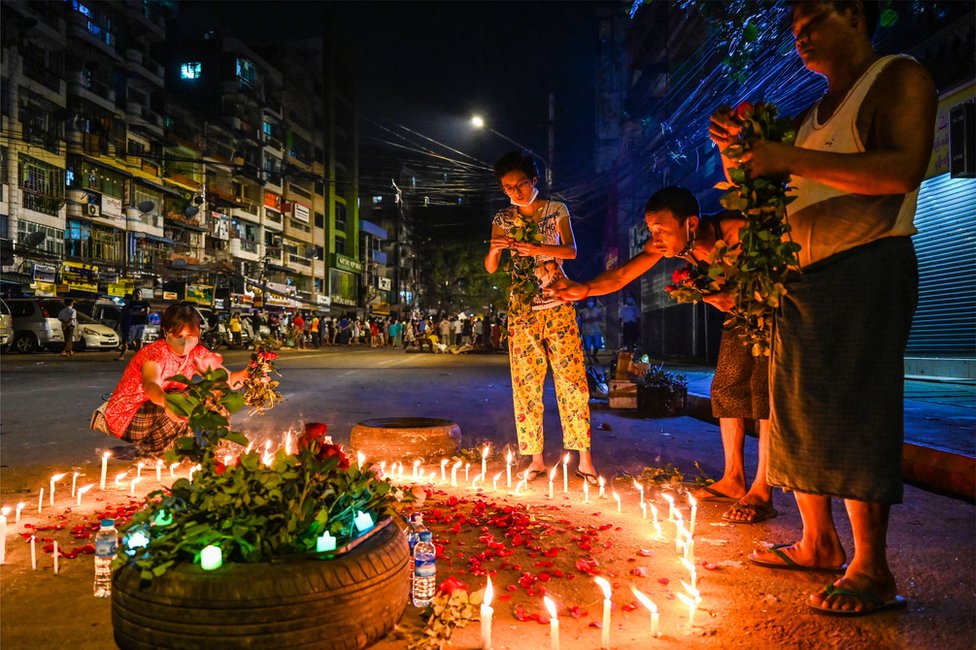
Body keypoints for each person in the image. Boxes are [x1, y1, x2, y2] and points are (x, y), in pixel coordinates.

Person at [709, 0, 936, 615]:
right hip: (801, 279)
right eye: (796, 31)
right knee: (798, 413)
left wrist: (786, 157)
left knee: (855, 410)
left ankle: (871, 567)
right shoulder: (810, 115)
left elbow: (902, 169)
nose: (801, 38)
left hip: (865, 263)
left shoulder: (896, 76)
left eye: (813, 24)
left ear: (856, 13)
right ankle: (817, 540)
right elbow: (763, 192)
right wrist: (742, 156)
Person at [549, 186, 773, 523]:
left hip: (770, 316)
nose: (656, 239)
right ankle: (733, 478)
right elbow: (623, 274)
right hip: (738, 319)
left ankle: (762, 488)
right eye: (652, 230)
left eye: (662, 230)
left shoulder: (736, 232)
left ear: (691, 224)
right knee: (726, 390)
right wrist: (585, 289)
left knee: (764, 397)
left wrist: (728, 294)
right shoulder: (677, 245)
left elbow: (773, 278)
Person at [485, 150, 598, 484]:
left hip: (558, 303)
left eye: (521, 184)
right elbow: (491, 267)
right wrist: (495, 249)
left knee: (573, 382)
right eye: (508, 188)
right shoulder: (502, 219)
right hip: (521, 312)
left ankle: (585, 459)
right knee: (526, 384)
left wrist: (537, 249)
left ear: (534, 181)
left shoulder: (555, 210)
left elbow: (571, 251)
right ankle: (535, 459)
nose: (516, 192)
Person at [104, 302, 248, 458]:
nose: (185, 341)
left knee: (216, 392)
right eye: (179, 336)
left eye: (190, 336)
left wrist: (250, 374)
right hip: (128, 416)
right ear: (166, 332)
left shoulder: (196, 353)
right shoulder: (155, 353)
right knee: (185, 399)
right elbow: (150, 385)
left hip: (161, 413)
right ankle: (152, 452)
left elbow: (228, 381)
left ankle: (212, 450)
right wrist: (167, 403)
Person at [577, 297, 606, 365]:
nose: (590, 303)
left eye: (591, 301)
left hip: (596, 330)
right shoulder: (584, 311)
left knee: (597, 345)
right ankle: (589, 359)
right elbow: (582, 319)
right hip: (586, 331)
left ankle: (594, 355)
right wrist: (590, 319)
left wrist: (593, 319)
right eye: (589, 301)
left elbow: (600, 318)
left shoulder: (597, 310)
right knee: (587, 346)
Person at [127, 289, 151, 354]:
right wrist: (141, 311)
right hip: (133, 323)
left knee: (140, 340)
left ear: (141, 294)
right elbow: (131, 313)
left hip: (142, 323)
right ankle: (138, 353)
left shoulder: (145, 302)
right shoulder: (132, 303)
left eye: (139, 292)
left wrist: (136, 312)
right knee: (130, 340)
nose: (137, 294)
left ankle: (139, 354)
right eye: (136, 293)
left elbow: (146, 312)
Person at [115, 293, 134, 361]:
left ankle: (122, 355)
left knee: (129, 341)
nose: (124, 300)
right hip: (124, 326)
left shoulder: (131, 307)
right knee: (125, 341)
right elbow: (121, 317)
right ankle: (122, 355)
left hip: (129, 326)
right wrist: (117, 324)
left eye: (126, 298)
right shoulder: (125, 307)